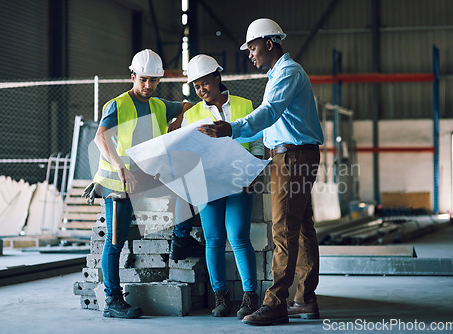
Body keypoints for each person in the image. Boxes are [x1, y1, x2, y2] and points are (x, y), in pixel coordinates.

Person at [197, 18, 324, 326]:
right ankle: (305, 300)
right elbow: (268, 124)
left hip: (292, 159)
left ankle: (275, 302)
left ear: (270, 43)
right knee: (302, 229)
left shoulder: (287, 73)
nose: (250, 55)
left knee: (283, 231)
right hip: (292, 156)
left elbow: (268, 114)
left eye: (253, 48)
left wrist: (231, 128)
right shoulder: (278, 74)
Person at [86, 49, 202, 319]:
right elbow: (100, 138)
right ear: (133, 76)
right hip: (118, 184)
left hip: (146, 179)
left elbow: (186, 106)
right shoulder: (117, 105)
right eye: (143, 80)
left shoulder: (159, 105)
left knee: (187, 187)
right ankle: (113, 300)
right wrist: (119, 167)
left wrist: (178, 121)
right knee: (115, 243)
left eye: (154, 80)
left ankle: (180, 241)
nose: (148, 86)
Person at [182, 54, 264, 319]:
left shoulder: (245, 105)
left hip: (240, 183)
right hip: (208, 185)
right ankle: (221, 297)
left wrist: (254, 173)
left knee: (239, 237)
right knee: (214, 240)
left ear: (217, 78)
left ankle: (250, 296)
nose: (201, 89)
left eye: (204, 83)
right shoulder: (192, 114)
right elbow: (186, 151)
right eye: (196, 86)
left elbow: (257, 142)